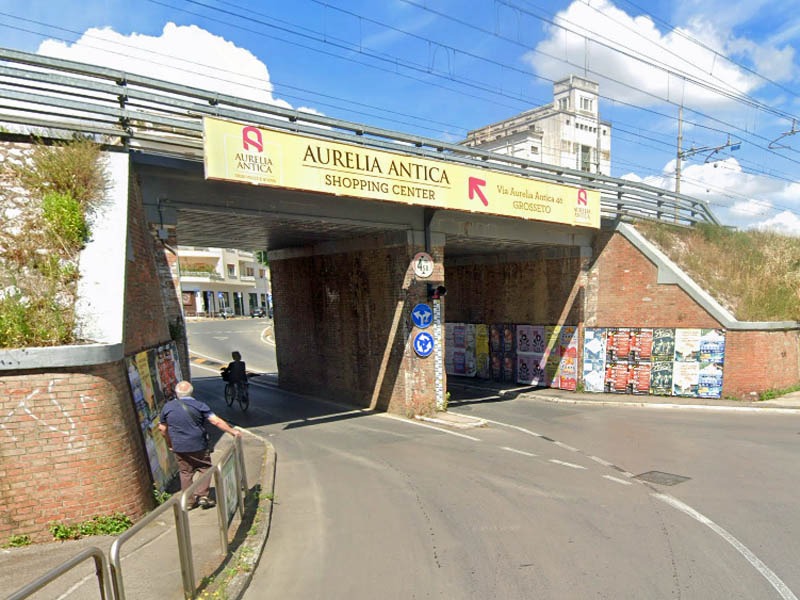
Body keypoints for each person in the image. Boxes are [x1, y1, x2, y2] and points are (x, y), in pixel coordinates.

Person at [158, 380, 241, 509]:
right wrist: (232, 431)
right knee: (204, 467)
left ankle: (189, 501)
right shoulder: (199, 405)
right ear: (191, 392)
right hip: (198, 444)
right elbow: (215, 421)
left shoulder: (167, 407)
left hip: (179, 446)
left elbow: (162, 429)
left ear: (176, 393)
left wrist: (170, 443)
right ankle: (202, 495)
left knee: (185, 472)